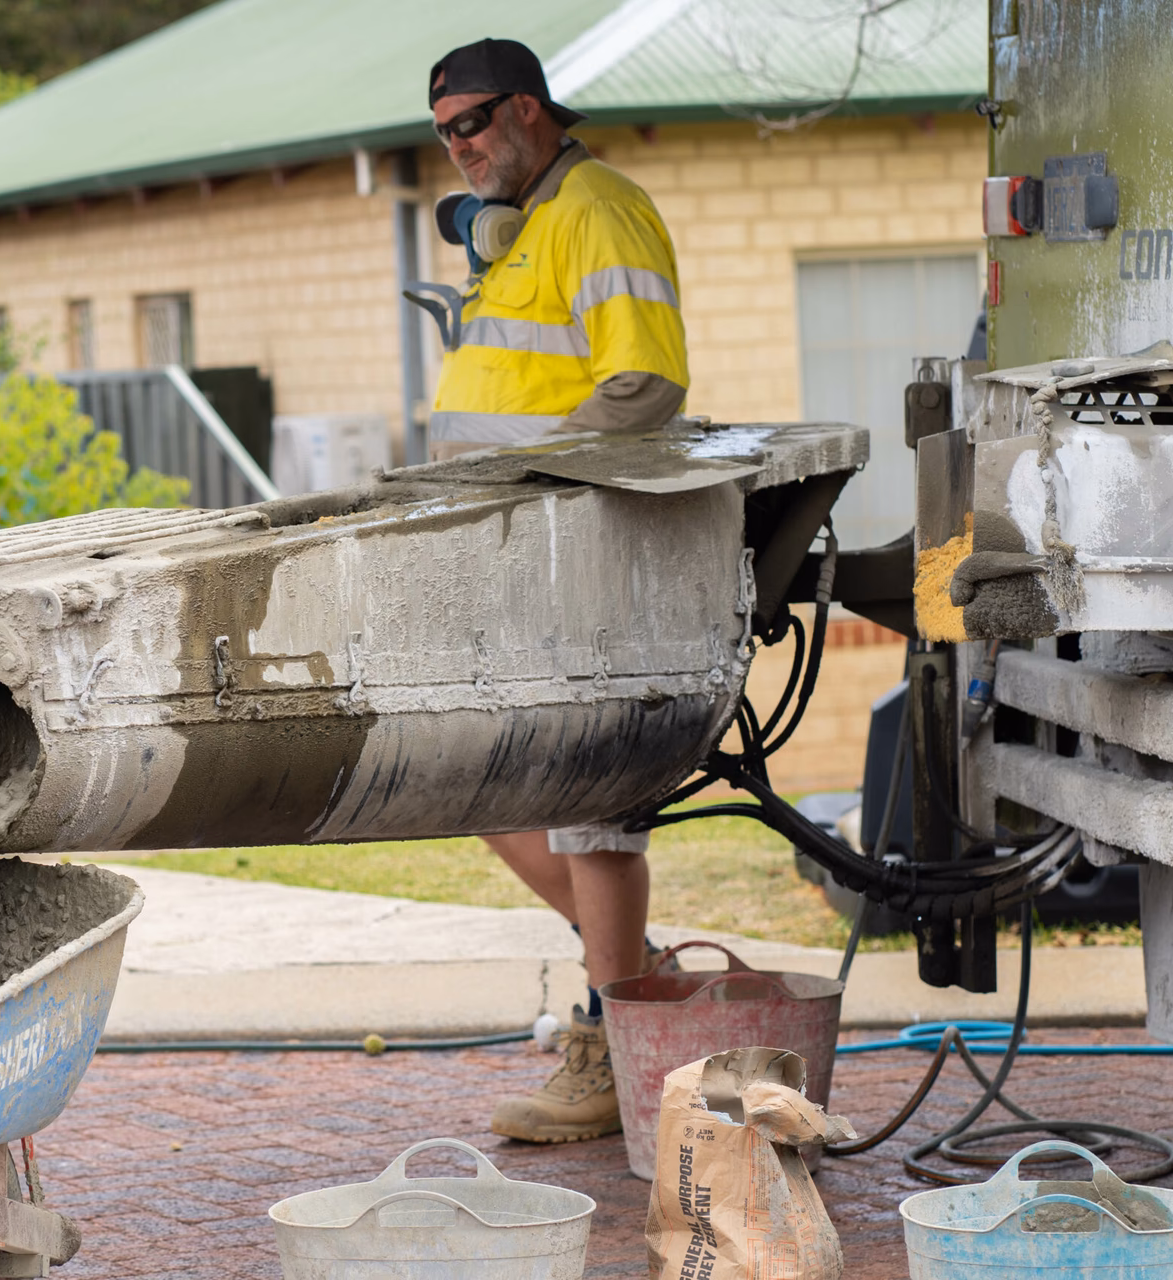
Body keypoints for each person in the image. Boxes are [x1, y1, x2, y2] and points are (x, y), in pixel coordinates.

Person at [424, 38, 690, 1144]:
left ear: (529, 110)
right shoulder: (528, 226)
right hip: (515, 548)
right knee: (485, 790)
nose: (458, 149)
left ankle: (615, 1033)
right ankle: (636, 981)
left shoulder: (596, 210)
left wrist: (537, 487)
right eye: (442, 134)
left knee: (590, 805)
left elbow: (644, 386)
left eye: (472, 124)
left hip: (571, 545)